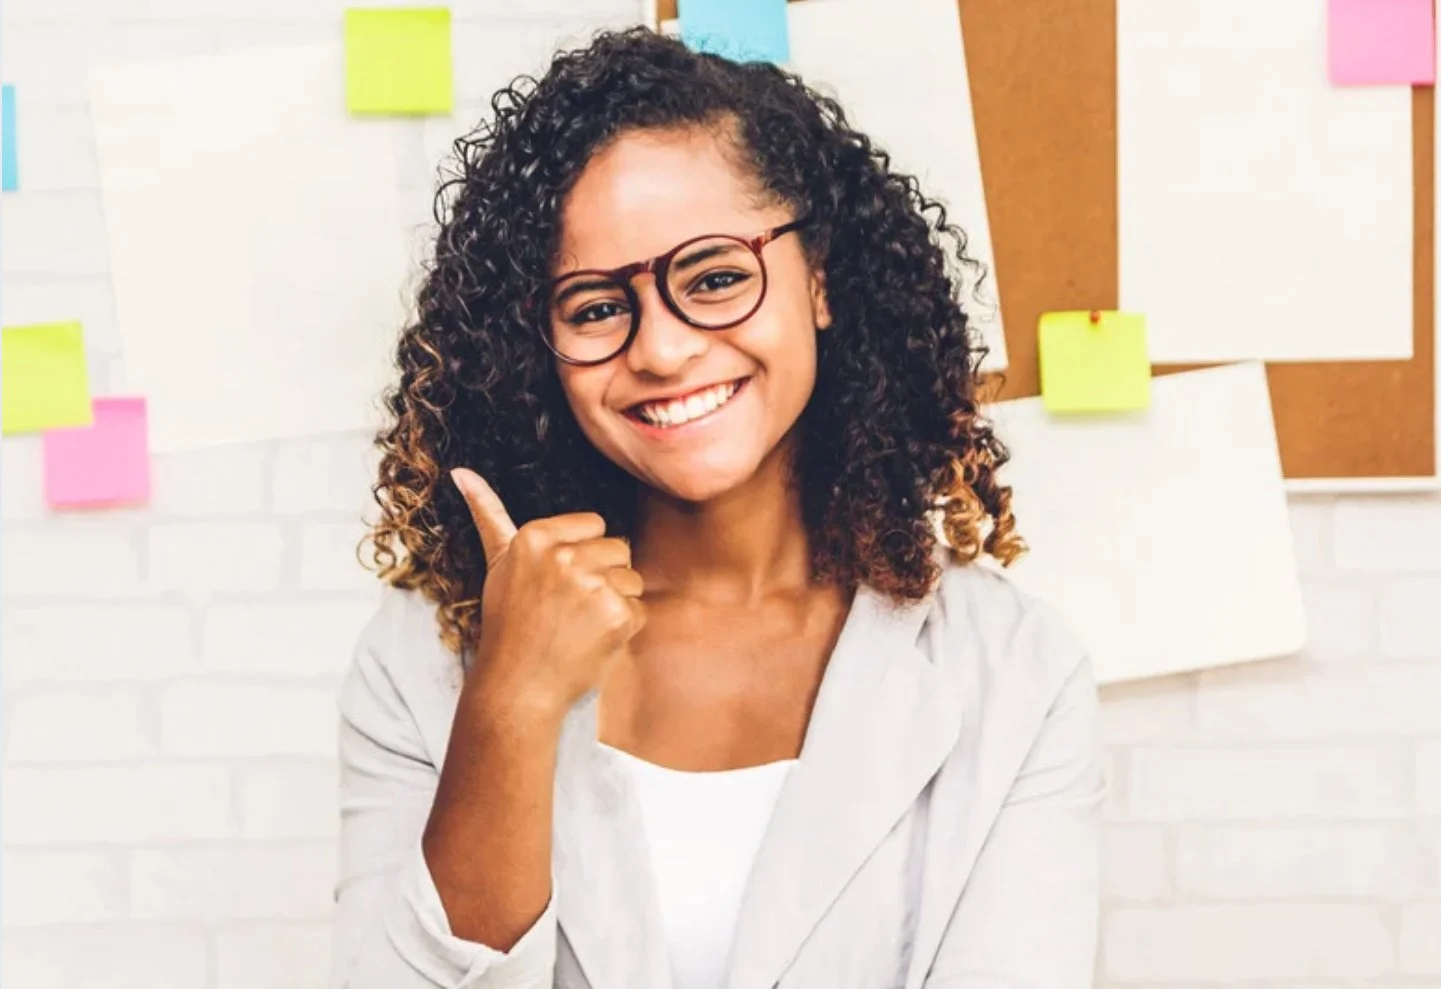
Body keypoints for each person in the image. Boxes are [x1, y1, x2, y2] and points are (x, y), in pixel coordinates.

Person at [330, 26, 1104, 989]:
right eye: (595, 307)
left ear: (817, 280)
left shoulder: (1013, 674)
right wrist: (511, 698)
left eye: (715, 278)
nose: (660, 349)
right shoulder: (425, 654)